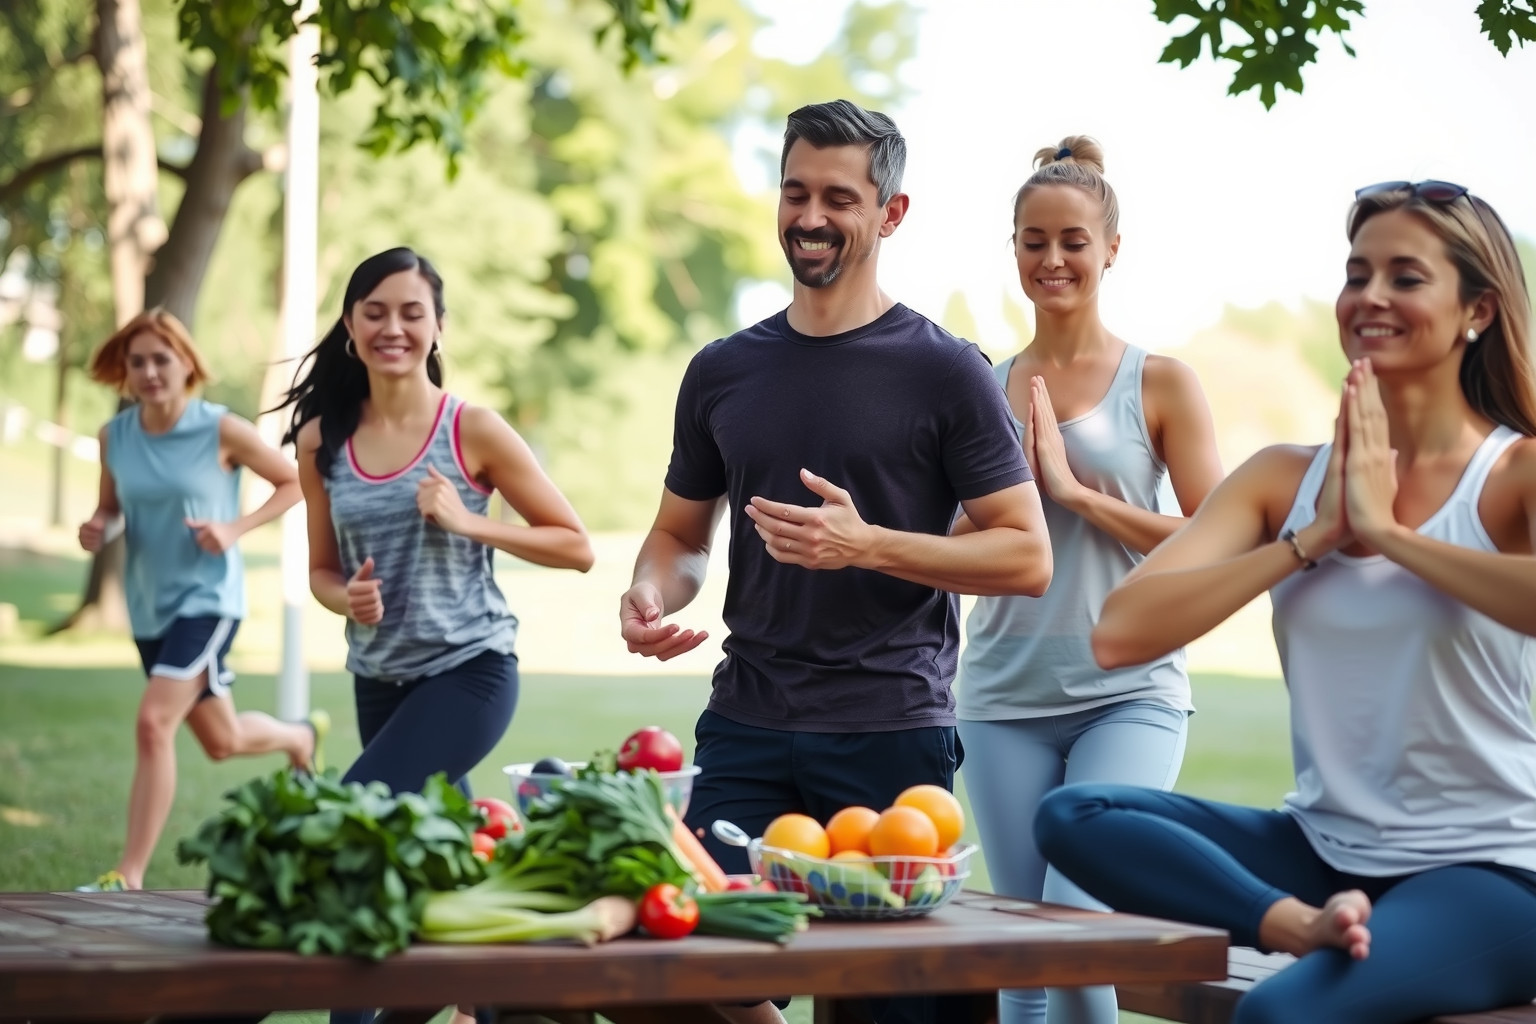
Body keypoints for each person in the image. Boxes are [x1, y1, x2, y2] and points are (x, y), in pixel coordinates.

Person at [1034, 180, 1536, 1024]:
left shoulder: (1515, 474)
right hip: (1322, 850)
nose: (1370, 297)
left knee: (1276, 1018)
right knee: (1079, 812)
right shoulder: (1283, 481)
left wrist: (1393, 534)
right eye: (1356, 273)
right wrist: (1312, 540)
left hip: (1491, 874)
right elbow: (1120, 633)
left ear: (1477, 310)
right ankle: (1292, 926)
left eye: (1406, 278)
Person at [619, 99, 1052, 1024]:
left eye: (839, 199)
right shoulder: (722, 370)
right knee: (674, 965)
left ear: (890, 213)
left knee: (888, 1009)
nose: (810, 217)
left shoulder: (947, 371)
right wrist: (651, 591)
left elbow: (1025, 553)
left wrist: (870, 545)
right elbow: (681, 536)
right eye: (795, 192)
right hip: (747, 720)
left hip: (889, 727)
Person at [278, 247, 593, 1024]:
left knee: (353, 828)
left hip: (470, 673)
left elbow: (574, 544)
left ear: (438, 327)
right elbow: (321, 570)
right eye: (375, 312)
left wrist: (469, 524)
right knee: (420, 874)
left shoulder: (471, 429)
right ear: (350, 326)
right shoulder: (322, 441)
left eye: (411, 313)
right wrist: (344, 601)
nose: (393, 327)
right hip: (378, 681)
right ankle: (496, 1005)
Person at [954, 137, 1223, 1024]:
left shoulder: (1163, 383)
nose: (1052, 259)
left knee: (1075, 931)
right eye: (1033, 241)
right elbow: (959, 540)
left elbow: (1219, 541)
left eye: (1073, 240)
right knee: (1026, 957)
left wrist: (1074, 492)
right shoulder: (984, 387)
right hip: (1002, 695)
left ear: (1111, 249)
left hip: (1130, 693)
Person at [76, 307, 320, 893]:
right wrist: (97, 526)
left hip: (207, 600)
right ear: (125, 372)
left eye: (162, 358)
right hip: (148, 603)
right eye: (138, 362)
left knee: (153, 722)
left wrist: (235, 528)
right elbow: (112, 510)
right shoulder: (116, 437)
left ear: (187, 362)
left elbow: (295, 483)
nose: (150, 371)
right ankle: (297, 738)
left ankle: (127, 873)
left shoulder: (220, 429)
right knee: (221, 741)